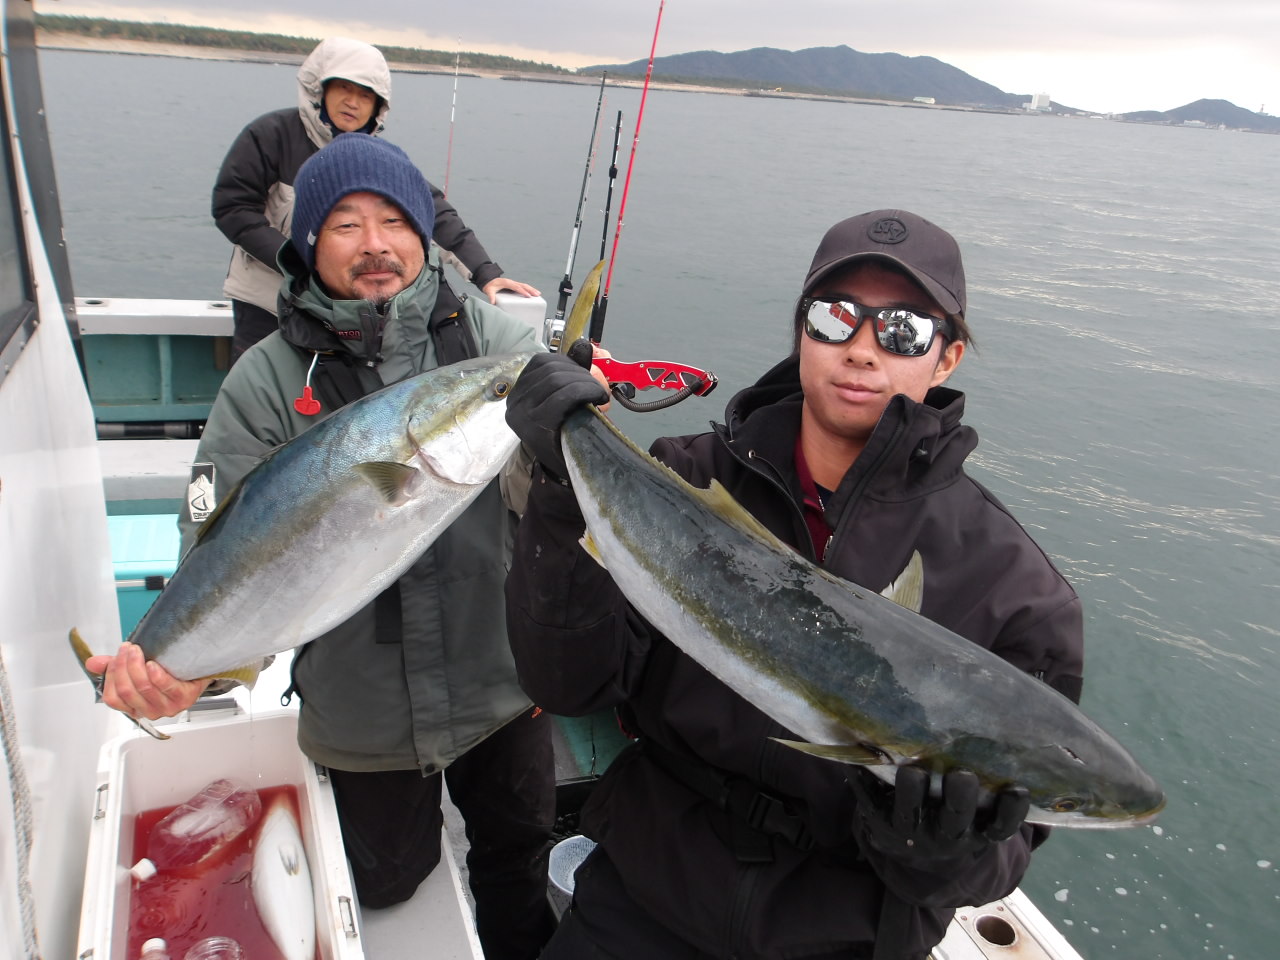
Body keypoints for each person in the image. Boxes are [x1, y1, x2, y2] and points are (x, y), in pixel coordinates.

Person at [502, 209, 1085, 959]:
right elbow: (568, 683)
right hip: (647, 889)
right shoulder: (686, 478)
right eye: (835, 316)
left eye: (903, 329)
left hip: (843, 935)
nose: (863, 348)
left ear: (947, 357)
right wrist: (558, 490)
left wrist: (937, 851)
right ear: (802, 330)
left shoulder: (1016, 588)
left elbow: (1000, 859)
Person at [90, 133, 557, 960]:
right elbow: (215, 544)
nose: (375, 243)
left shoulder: (493, 347)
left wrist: (568, 435)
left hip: (503, 679)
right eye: (346, 224)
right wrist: (180, 667)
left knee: (518, 864)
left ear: (424, 235)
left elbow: (551, 496)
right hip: (364, 712)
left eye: (394, 220)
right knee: (385, 887)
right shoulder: (265, 379)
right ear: (309, 244)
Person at [213, 36, 539, 362]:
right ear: (319, 90)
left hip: (340, 310)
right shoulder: (270, 136)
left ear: (378, 106)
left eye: (365, 95)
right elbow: (233, 208)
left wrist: (486, 273)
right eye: (344, 88)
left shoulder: (378, 161)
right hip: (265, 302)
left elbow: (435, 214)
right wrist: (298, 264)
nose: (353, 102)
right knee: (262, 380)